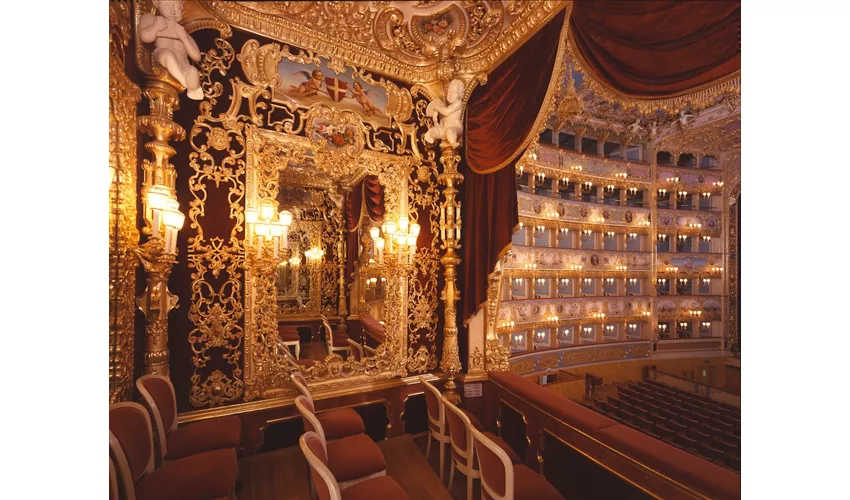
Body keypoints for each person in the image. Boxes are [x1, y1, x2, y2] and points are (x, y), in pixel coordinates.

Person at [139, 0, 203, 100]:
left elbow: (197, 57)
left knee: (193, 71)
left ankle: (192, 88)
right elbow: (145, 37)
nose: (173, 11)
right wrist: (155, 28)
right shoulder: (152, 19)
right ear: (156, 3)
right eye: (167, 6)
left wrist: (184, 38)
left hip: (183, 65)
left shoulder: (185, 34)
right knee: (168, 54)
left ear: (181, 6)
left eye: (176, 7)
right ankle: (184, 81)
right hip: (162, 54)